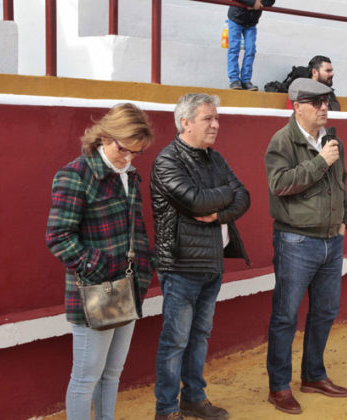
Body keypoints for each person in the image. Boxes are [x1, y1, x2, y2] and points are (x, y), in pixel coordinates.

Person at [45, 103, 155, 420]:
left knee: (112, 374)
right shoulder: (75, 175)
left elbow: (137, 227)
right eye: (125, 149)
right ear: (106, 137)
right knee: (85, 379)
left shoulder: (129, 174)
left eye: (137, 152)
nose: (130, 158)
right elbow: (58, 237)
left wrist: (145, 261)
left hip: (128, 286)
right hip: (96, 290)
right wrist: (101, 268)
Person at [151, 93, 250, 420]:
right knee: (176, 341)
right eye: (208, 118)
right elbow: (194, 201)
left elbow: (244, 197)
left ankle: (193, 398)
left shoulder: (214, 158)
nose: (215, 124)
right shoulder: (167, 161)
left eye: (216, 118)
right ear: (186, 122)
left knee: (199, 337)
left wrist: (219, 213)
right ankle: (166, 410)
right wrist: (225, 196)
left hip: (211, 262)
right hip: (180, 265)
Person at [265, 78, 347, 414]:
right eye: (316, 102)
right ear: (296, 105)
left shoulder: (332, 140)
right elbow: (279, 184)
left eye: (326, 101)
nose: (323, 108)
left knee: (326, 311)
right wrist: (321, 162)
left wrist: (345, 218)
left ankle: (314, 374)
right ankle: (279, 386)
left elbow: (342, 184)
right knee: (286, 316)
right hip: (296, 240)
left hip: (331, 238)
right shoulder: (282, 140)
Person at [227, 0, 275, 91]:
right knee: (234, 48)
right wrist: (253, 3)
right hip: (236, 19)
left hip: (251, 23)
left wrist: (259, 3)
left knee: (251, 50)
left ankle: (246, 80)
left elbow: (271, 1)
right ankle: (234, 80)